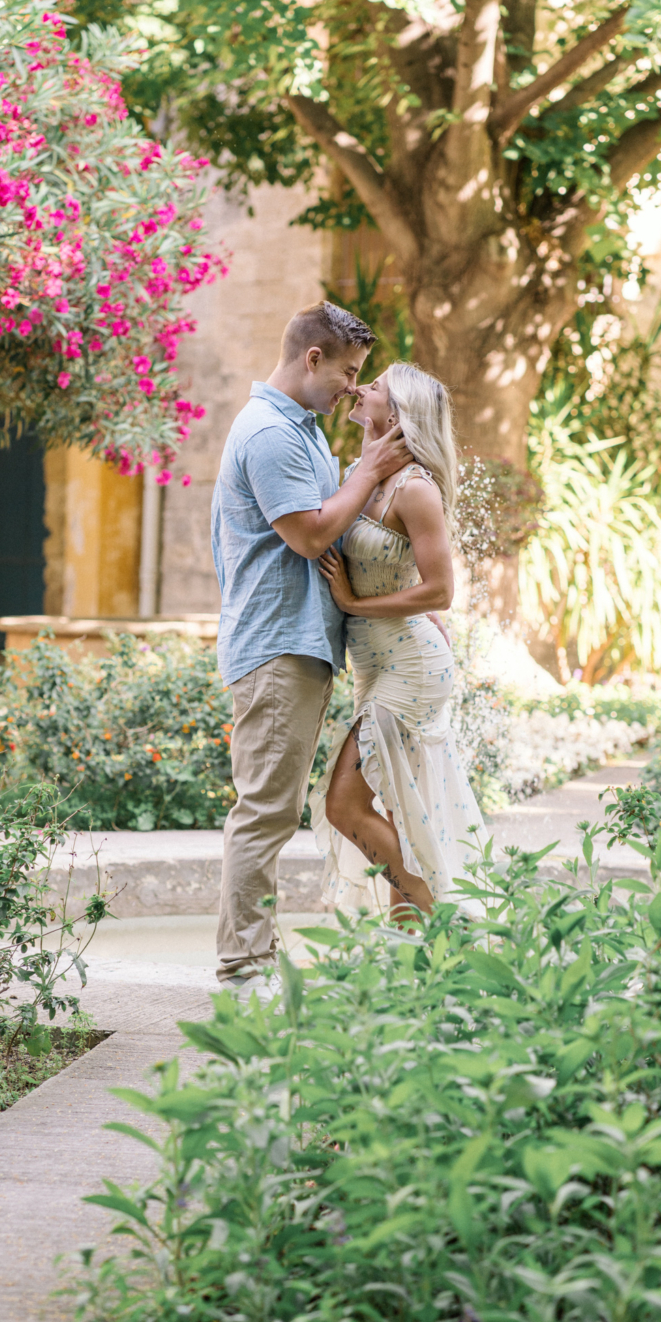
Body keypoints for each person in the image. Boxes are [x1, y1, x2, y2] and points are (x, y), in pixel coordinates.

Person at [210, 301, 412, 987]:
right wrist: (366, 471)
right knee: (264, 813)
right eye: (348, 373)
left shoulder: (298, 431)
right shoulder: (270, 434)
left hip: (299, 646)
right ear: (312, 359)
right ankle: (244, 968)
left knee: (272, 809)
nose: (352, 389)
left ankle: (252, 959)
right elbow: (310, 534)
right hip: (276, 647)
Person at [309, 363, 488, 922]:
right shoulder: (357, 475)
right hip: (373, 665)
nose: (362, 389)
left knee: (343, 803)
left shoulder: (414, 490)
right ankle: (411, 949)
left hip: (410, 668)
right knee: (397, 811)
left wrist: (356, 606)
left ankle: (435, 917)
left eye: (377, 386)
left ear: (398, 411)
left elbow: (440, 591)